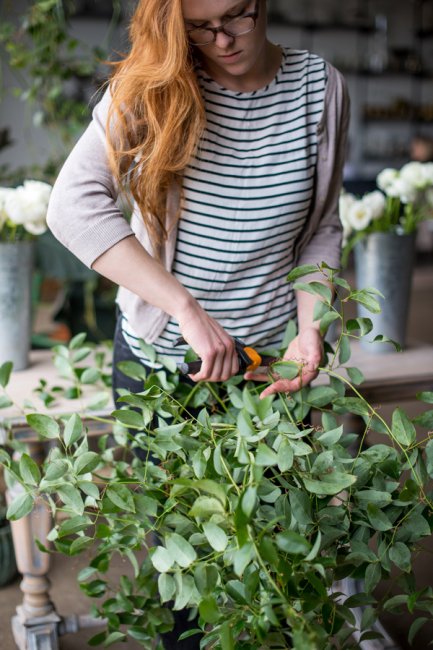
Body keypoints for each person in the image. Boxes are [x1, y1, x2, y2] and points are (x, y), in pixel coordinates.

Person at [47, 1, 349, 643]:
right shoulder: (150, 88)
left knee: (280, 569)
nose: (223, 38)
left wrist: (310, 327)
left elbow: (322, 225)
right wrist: (185, 308)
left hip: (275, 375)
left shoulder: (320, 87)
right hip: (166, 369)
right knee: (195, 588)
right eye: (200, 26)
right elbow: (71, 209)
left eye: (239, 16)